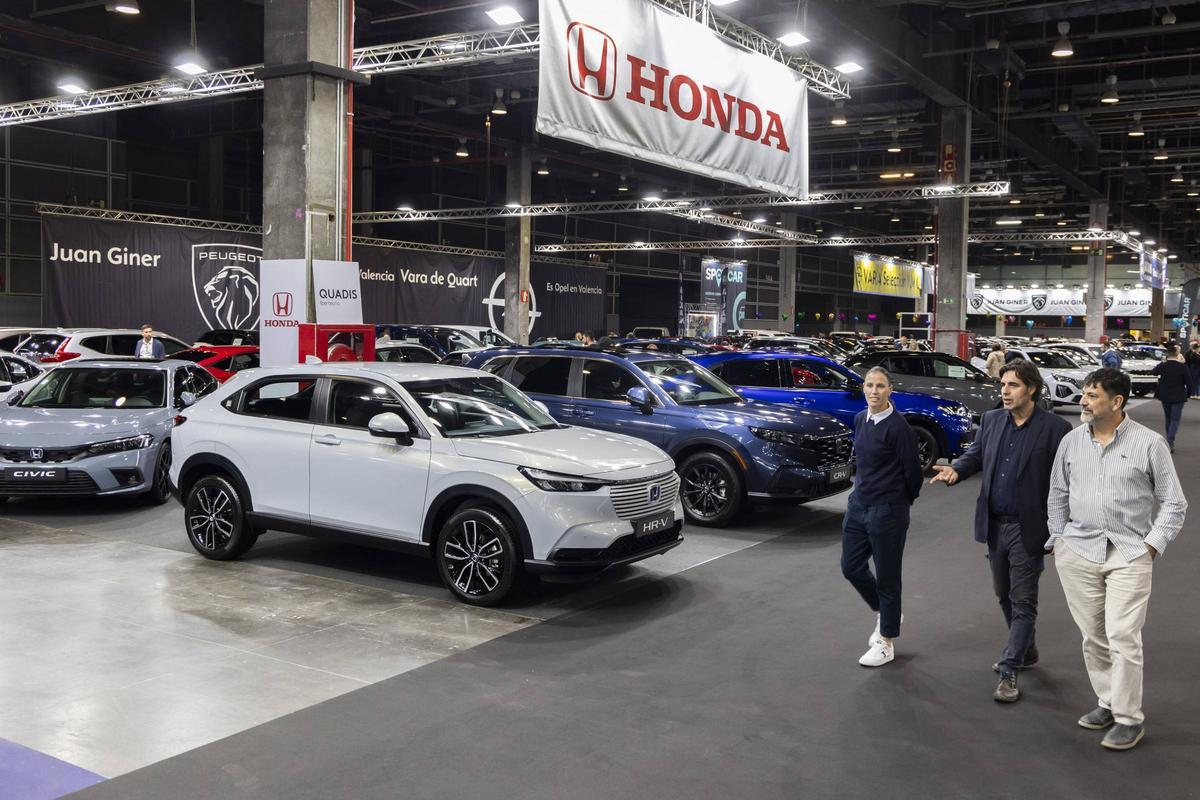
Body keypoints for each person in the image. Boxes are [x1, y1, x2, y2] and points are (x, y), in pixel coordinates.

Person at [1047, 368, 1187, 751]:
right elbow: (1057, 493)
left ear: (1116, 401)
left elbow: (1174, 503)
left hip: (1129, 553)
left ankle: (1128, 719)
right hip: (1078, 551)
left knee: (1123, 636)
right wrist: (1059, 538)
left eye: (1091, 396)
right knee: (1094, 637)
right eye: (1085, 395)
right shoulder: (1072, 442)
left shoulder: (1149, 444)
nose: (1083, 401)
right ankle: (1108, 701)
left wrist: (1152, 545)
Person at [929, 360, 1071, 703]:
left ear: (1031, 389)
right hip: (994, 524)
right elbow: (975, 455)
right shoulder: (992, 421)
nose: (1005, 391)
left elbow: (1067, 483)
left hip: (1030, 528)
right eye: (1003, 385)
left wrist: (1062, 529)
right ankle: (1027, 648)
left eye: (1013, 385)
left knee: (1023, 600)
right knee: (1003, 594)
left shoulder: (1056, 429)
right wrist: (956, 471)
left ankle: (1010, 668)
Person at [841, 367, 923, 668]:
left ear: (890, 390)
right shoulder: (861, 419)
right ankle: (888, 611)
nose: (874, 391)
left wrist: (897, 504)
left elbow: (913, 474)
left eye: (880, 386)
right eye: (869, 385)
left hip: (887, 510)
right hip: (858, 505)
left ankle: (886, 641)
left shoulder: (899, 427)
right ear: (864, 388)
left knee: (888, 578)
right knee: (850, 567)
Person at [1150, 344, 1194, 452]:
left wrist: (1163, 361)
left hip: (1164, 395)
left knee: (1168, 418)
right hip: (1178, 396)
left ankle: (1168, 441)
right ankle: (1170, 441)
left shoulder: (1163, 365)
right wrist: (1188, 394)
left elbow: (1154, 371)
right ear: (1177, 354)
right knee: (1175, 419)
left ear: (1167, 355)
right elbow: (1189, 383)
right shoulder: (1182, 367)